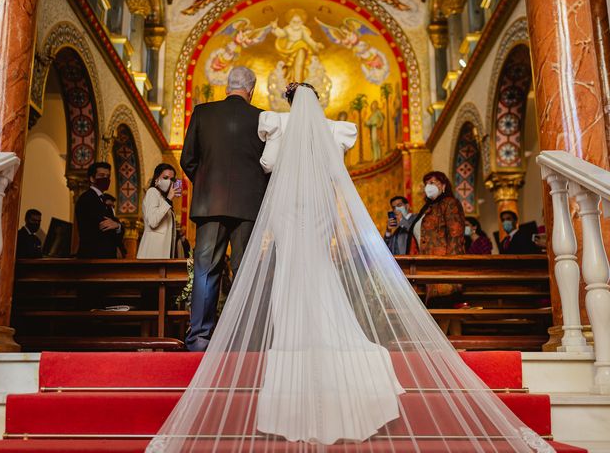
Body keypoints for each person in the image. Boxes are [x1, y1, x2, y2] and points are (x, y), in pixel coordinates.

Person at [148, 85, 552, 452]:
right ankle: (332, 333)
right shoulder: (333, 132)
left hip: (288, 212)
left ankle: (284, 339)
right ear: (317, 103)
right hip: (321, 211)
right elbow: (335, 166)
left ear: (289, 103)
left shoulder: (276, 127)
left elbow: (266, 165)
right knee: (321, 270)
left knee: (286, 270)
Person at [180, 66, 269, 352]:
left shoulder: (203, 113)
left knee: (206, 270)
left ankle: (199, 338)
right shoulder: (262, 118)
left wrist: (206, 185)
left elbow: (188, 159)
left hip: (209, 205)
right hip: (249, 206)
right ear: (251, 90)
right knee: (245, 271)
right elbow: (269, 166)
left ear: (227, 86)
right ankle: (243, 338)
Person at [409, 171, 465, 305]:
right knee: (436, 311)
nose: (428, 186)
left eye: (432, 183)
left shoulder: (450, 203)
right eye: (426, 183)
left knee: (443, 308)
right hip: (426, 265)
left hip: (443, 266)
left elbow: (455, 235)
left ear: (443, 185)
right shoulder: (427, 208)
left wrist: (452, 267)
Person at [75, 162, 124, 259]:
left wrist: (117, 226)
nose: (106, 178)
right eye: (101, 175)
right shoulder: (87, 198)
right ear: (92, 178)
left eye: (108, 176)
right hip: (93, 257)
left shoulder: (104, 199)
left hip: (106, 256)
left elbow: (114, 223)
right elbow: (103, 224)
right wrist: (116, 225)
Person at [137, 164, 180, 259]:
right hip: (152, 252)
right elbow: (153, 221)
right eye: (165, 177)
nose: (169, 181)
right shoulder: (152, 192)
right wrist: (168, 199)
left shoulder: (163, 199)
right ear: (156, 179)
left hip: (163, 252)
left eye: (172, 179)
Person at [101, 193, 127, 258]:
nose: (111, 209)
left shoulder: (115, 219)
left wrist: (118, 226)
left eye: (113, 207)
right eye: (109, 206)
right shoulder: (99, 217)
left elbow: (121, 232)